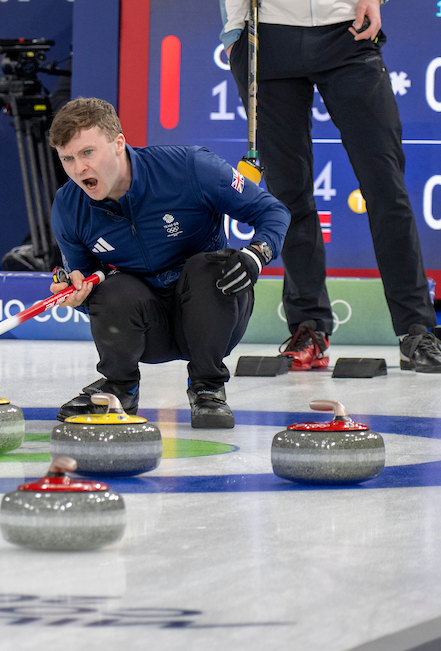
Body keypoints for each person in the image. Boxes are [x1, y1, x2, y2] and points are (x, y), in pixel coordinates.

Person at [220, 0, 441, 373]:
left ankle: (416, 330)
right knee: (288, 192)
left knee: (384, 185)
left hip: (349, 37)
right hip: (268, 40)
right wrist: (236, 33)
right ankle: (308, 327)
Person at [48, 98, 289, 428]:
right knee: (112, 288)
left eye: (87, 152)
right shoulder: (68, 207)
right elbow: (89, 284)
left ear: (119, 144)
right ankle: (119, 388)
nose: (79, 169)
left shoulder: (190, 167)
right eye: (68, 158)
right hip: (147, 329)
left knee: (211, 266)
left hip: (212, 313)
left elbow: (272, 212)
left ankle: (208, 387)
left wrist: (256, 255)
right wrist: (77, 294)